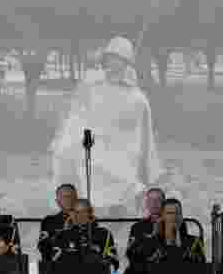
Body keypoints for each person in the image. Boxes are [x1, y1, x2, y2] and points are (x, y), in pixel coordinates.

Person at [51, 37, 161, 217]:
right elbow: (81, 117)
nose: (113, 62)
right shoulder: (94, 88)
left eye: (118, 58)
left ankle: (129, 197)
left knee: (114, 171)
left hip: (123, 153)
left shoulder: (137, 98)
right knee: (76, 160)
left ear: (126, 62)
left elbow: (141, 136)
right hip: (96, 146)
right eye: (110, 57)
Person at [38, 184, 78, 262]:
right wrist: (63, 231)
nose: (68, 200)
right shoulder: (49, 221)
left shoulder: (88, 221)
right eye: (64, 197)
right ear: (57, 201)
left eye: (71, 196)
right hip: (56, 267)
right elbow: (43, 247)